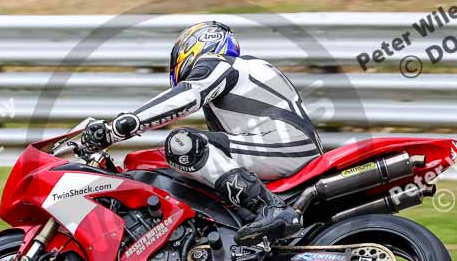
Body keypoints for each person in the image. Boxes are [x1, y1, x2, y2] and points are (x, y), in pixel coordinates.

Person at [81, 21, 322, 245]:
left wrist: (120, 127)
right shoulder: (243, 76)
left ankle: (271, 208)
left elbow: (187, 96)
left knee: (183, 143)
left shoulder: (222, 63)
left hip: (285, 148)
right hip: (283, 148)